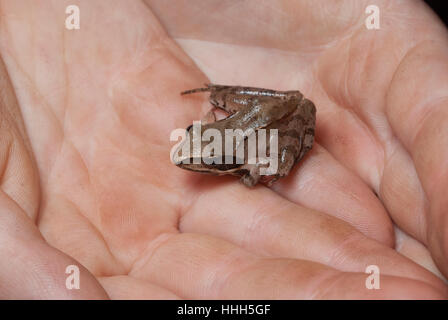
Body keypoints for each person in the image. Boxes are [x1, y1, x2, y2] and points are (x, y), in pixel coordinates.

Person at [0, 0, 447, 299]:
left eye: (199, 158)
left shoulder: (235, 159)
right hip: (269, 111)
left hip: (277, 126)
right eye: (194, 149)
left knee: (267, 166)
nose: (188, 160)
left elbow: (257, 165)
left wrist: (255, 174)